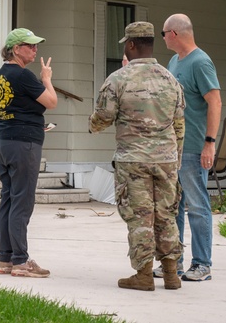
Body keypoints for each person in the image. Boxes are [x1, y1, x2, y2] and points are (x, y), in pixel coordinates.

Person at [89, 21, 185, 291]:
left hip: (133, 160)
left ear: (131, 45)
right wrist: (175, 157)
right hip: (166, 160)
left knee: (140, 216)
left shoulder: (118, 79)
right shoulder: (170, 79)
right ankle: (171, 274)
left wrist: (92, 124)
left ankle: (143, 275)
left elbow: (103, 117)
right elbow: (179, 124)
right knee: (167, 214)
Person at [160, 13, 221, 282]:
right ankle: (174, 263)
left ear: (174, 34)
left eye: (163, 33)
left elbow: (215, 102)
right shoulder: (174, 61)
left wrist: (210, 143)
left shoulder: (200, 62)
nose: (162, 38)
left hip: (195, 147)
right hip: (174, 148)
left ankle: (202, 264)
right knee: (175, 207)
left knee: (197, 206)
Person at [0, 27, 57, 278]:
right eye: (30, 45)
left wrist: (22, 115)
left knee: (8, 198)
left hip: (3, 140)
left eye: (36, 45)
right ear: (16, 49)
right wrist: (47, 79)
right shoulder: (24, 75)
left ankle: (4, 259)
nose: (35, 49)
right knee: (22, 200)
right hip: (24, 143)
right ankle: (21, 261)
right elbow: (51, 102)